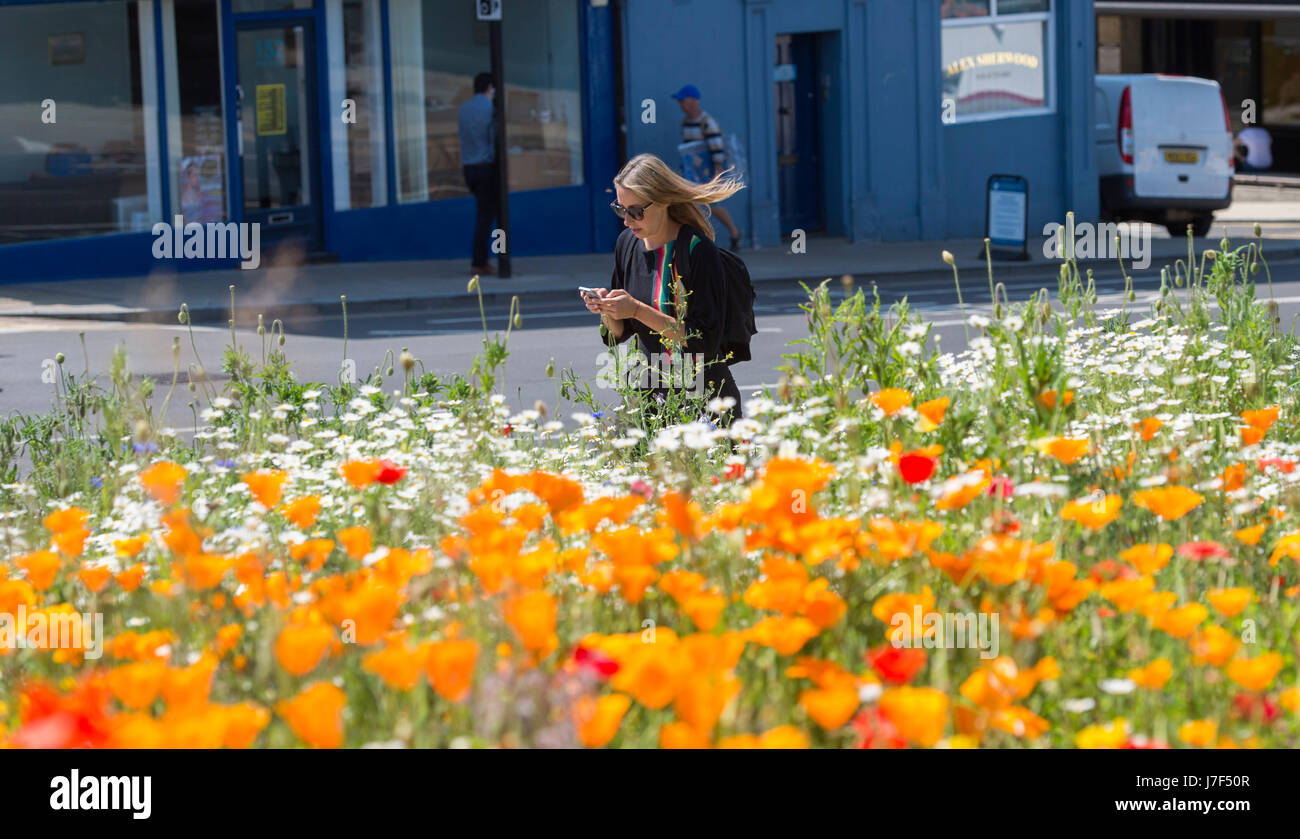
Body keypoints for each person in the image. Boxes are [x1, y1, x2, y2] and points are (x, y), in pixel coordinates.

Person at [583, 153, 745, 426]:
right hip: (647, 397)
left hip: (704, 398)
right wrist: (607, 309)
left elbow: (703, 340)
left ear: (664, 201)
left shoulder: (696, 250)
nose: (626, 220)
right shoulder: (627, 244)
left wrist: (636, 309)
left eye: (636, 211)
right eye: (620, 209)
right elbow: (619, 335)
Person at [672, 84, 743, 251]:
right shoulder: (686, 122)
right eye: (679, 101)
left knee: (712, 204)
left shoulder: (707, 123)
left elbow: (717, 147)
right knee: (694, 203)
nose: (680, 104)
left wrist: (716, 173)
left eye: (683, 100)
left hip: (706, 172)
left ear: (693, 101)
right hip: (692, 172)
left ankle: (734, 231)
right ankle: (693, 239)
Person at [458, 72, 499, 275]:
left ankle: (482, 259)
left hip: (469, 168)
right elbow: (493, 139)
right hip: (485, 167)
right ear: (490, 88)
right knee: (486, 217)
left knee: (483, 214)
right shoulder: (490, 108)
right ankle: (480, 261)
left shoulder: (463, 109)